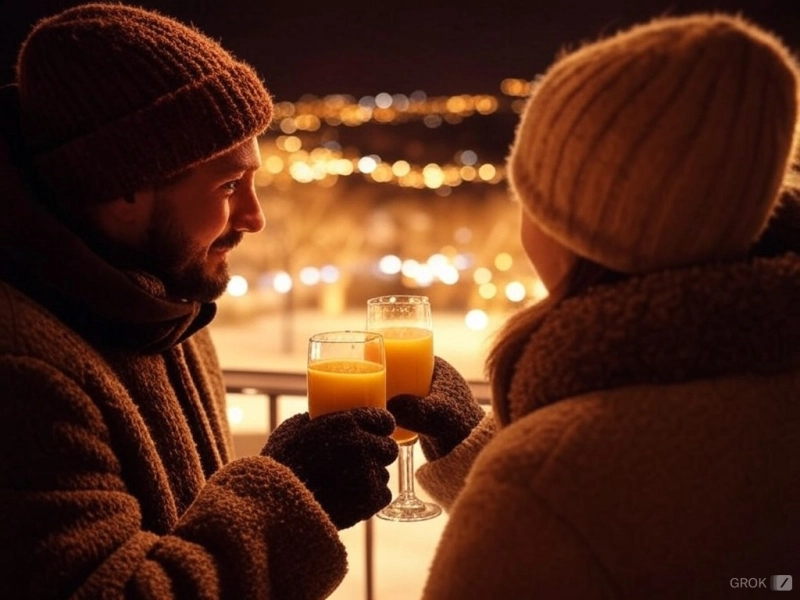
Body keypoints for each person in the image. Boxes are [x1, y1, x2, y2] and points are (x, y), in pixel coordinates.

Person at [387, 12, 800, 598]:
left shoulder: (544, 477)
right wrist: (476, 451)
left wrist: (512, 471)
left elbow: (562, 520)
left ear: (567, 226)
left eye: (529, 198)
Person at [0, 4, 398, 599]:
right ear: (125, 189)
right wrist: (292, 496)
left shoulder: (161, 306)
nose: (254, 218)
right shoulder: (24, 369)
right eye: (229, 185)